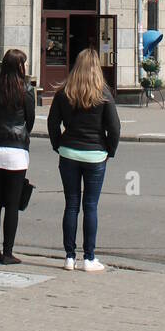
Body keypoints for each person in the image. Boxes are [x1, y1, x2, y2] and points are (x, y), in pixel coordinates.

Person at [47, 48, 120, 272]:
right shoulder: (103, 94)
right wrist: (109, 150)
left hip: (68, 152)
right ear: (96, 68)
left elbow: (52, 123)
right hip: (95, 155)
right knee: (90, 206)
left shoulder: (63, 92)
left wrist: (58, 145)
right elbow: (114, 127)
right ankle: (89, 258)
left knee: (71, 204)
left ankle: (69, 257)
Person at [0, 48, 35, 265]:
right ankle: (8, 253)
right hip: (17, 151)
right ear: (20, 67)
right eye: (24, 64)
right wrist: (21, 134)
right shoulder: (27, 90)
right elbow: (29, 121)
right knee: (12, 204)